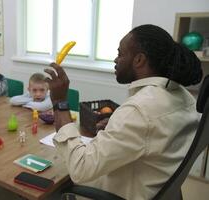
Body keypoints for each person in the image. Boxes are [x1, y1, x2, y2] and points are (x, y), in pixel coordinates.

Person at [44, 24, 202, 200]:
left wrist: (60, 102)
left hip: (121, 193)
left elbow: (80, 169)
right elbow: (152, 134)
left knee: (51, 185)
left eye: (120, 54)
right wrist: (118, 128)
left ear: (139, 60)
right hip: (153, 187)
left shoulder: (139, 109)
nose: (115, 60)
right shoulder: (185, 97)